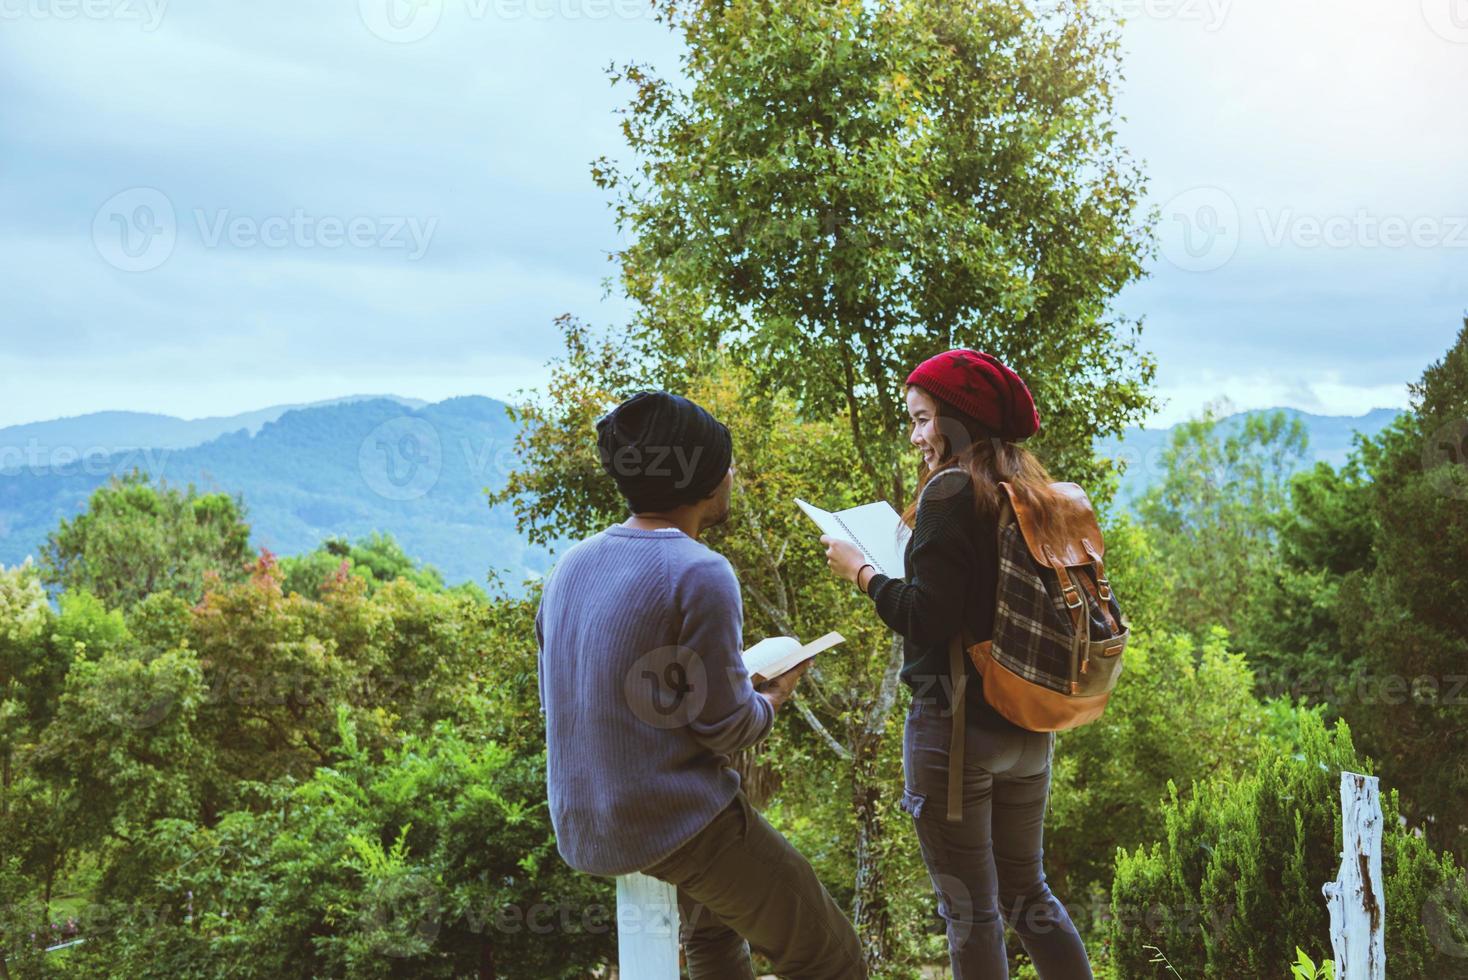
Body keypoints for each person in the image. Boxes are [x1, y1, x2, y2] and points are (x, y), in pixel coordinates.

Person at [536, 389, 867, 980]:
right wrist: (772, 697)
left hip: (585, 820)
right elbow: (725, 728)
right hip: (666, 820)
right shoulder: (699, 571)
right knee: (831, 957)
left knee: (715, 933)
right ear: (707, 481)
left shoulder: (572, 564)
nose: (733, 474)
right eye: (726, 463)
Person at [819, 350, 1093, 979]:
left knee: (969, 913)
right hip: (1027, 723)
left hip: (956, 728)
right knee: (1030, 895)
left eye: (922, 420)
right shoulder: (1027, 490)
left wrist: (860, 572)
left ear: (958, 421)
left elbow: (926, 616)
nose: (916, 437)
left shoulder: (949, 490)